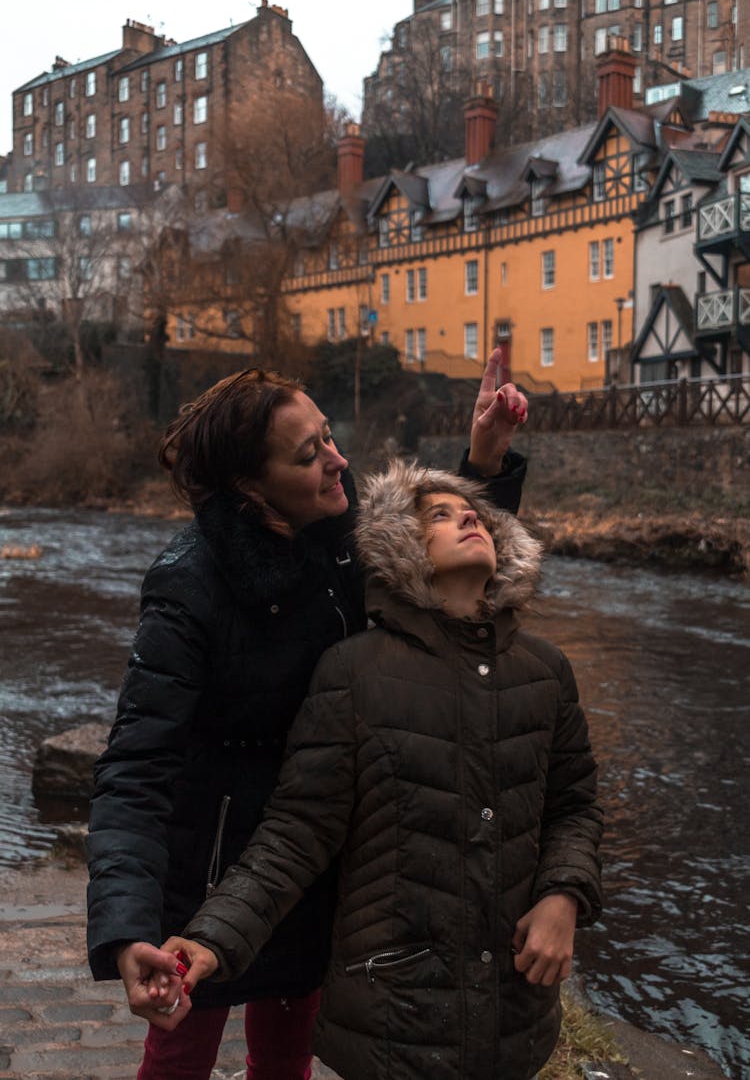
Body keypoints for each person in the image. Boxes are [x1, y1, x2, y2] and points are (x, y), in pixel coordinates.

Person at [86, 353, 529, 1080]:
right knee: (180, 1050)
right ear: (251, 491)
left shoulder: (344, 536)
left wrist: (483, 459)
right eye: (309, 453)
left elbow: (450, 568)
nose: (338, 460)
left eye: (328, 436)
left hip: (321, 856)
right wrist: (128, 925)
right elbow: (135, 766)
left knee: (290, 1051)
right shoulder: (188, 585)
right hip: (212, 869)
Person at [154, 460, 604, 1080]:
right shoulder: (353, 671)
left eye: (470, 511)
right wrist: (211, 938)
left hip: (514, 1007)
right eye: (438, 515)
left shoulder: (546, 670)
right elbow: (297, 833)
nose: (468, 515)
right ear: (401, 549)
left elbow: (574, 806)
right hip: (395, 1012)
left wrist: (564, 895)